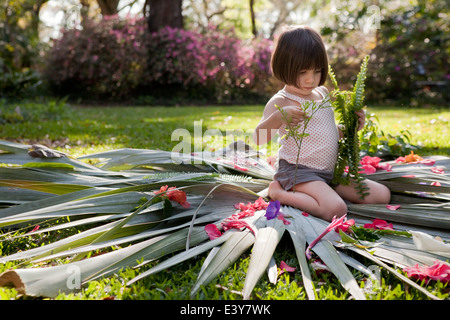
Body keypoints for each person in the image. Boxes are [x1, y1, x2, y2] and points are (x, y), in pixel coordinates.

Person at [252, 26, 390, 221]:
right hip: (298, 172)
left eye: (317, 71)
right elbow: (257, 139)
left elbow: (326, 133)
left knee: (381, 194)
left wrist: (351, 128)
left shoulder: (322, 94)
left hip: (328, 172)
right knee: (336, 209)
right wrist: (277, 118)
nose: (311, 79)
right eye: (303, 72)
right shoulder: (281, 101)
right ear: (285, 67)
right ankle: (280, 193)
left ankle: (323, 192)